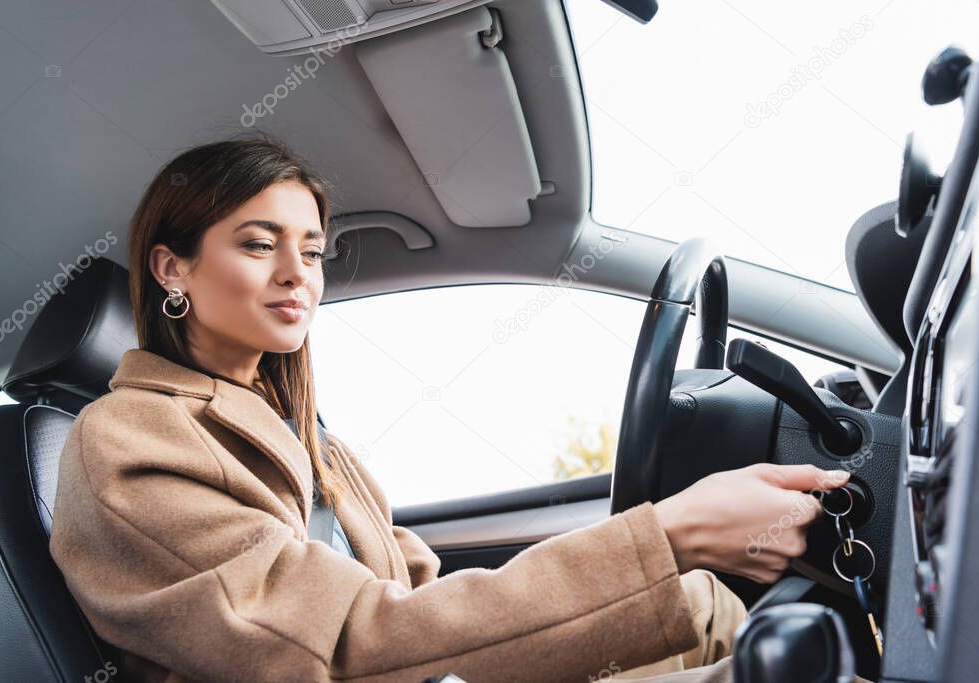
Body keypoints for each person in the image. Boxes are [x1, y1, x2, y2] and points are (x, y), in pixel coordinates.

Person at [49, 137, 852, 683]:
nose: (299, 273)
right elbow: (349, 642)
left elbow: (420, 590)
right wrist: (667, 533)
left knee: (705, 604)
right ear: (172, 267)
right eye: (259, 244)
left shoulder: (305, 433)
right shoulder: (123, 442)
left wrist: (659, 562)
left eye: (314, 249)